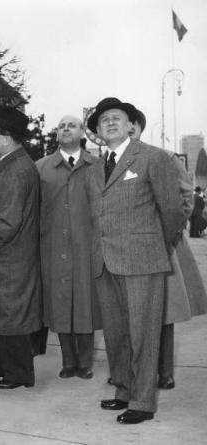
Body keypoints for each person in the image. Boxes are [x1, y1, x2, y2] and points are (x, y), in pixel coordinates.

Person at [85, 97, 185, 424]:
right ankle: (124, 390)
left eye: (118, 117)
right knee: (116, 333)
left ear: (131, 124)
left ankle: (143, 402)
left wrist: (157, 245)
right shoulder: (95, 169)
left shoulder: (153, 158)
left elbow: (171, 210)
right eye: (104, 120)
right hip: (105, 262)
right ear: (98, 131)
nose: (111, 122)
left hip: (142, 260)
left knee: (143, 333)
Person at [125, 107, 207, 390]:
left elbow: (186, 197)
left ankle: (164, 371)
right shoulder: (114, 162)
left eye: (133, 125)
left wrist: (167, 233)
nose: (129, 129)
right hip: (125, 246)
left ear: (138, 128)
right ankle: (132, 371)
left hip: (162, 243)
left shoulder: (163, 157)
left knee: (163, 311)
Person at [0, 106, 42, 390]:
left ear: (9, 137)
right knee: (2, 313)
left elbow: (9, 219)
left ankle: (18, 374)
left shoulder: (16, 168)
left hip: (7, 255)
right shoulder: (14, 162)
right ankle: (3, 365)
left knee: (11, 315)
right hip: (7, 255)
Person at [35, 115, 100, 380]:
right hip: (53, 248)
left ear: (82, 132)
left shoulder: (96, 166)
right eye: (61, 126)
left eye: (71, 125)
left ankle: (85, 362)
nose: (65, 129)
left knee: (85, 304)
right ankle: (68, 361)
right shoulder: (41, 167)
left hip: (86, 248)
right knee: (60, 304)